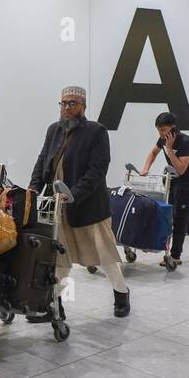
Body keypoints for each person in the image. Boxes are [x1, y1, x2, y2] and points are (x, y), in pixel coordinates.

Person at [28, 86, 130, 318]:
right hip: (57, 207)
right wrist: (33, 189)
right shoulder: (54, 130)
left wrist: (73, 193)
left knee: (105, 256)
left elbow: (97, 170)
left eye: (72, 103)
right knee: (59, 258)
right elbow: (43, 160)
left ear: (83, 106)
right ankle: (55, 305)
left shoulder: (96, 131)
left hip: (89, 206)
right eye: (63, 103)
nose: (66, 108)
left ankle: (121, 293)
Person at [138, 112, 189, 270]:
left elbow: (181, 169)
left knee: (180, 218)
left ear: (173, 127)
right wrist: (146, 167)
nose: (161, 134)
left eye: (163, 129)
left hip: (187, 182)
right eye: (158, 130)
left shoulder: (185, 141)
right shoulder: (163, 139)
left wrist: (170, 149)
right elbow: (153, 152)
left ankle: (175, 256)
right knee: (173, 216)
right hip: (172, 180)